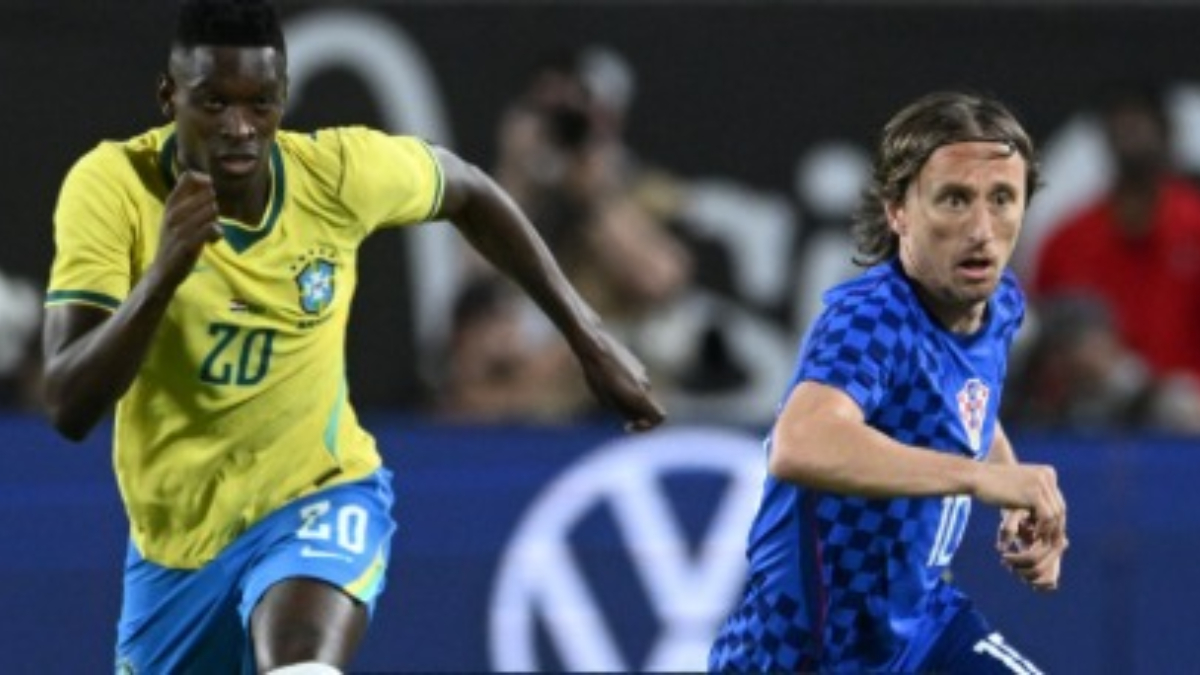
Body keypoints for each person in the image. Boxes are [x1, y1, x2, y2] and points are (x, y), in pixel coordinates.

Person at [40, 1, 665, 673]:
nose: (240, 128)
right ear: (170, 97)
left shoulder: (336, 173)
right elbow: (70, 404)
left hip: (318, 494)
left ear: (284, 98)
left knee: (301, 662)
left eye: (261, 103)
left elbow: (470, 191)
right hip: (175, 551)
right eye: (214, 103)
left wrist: (589, 338)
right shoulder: (113, 188)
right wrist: (163, 273)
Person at [709, 92, 1068, 673]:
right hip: (809, 653)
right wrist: (982, 479)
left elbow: (965, 405)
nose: (982, 229)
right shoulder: (873, 317)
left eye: (1002, 198)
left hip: (923, 629)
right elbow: (801, 443)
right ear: (898, 210)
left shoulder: (1000, 303)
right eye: (954, 199)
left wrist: (1013, 497)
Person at [1030, 82, 1200, 383]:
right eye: (1122, 126)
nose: (1131, 134)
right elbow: (1041, 342)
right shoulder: (1068, 242)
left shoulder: (1193, 224)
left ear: (1167, 134)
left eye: (1140, 124)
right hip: (1095, 406)